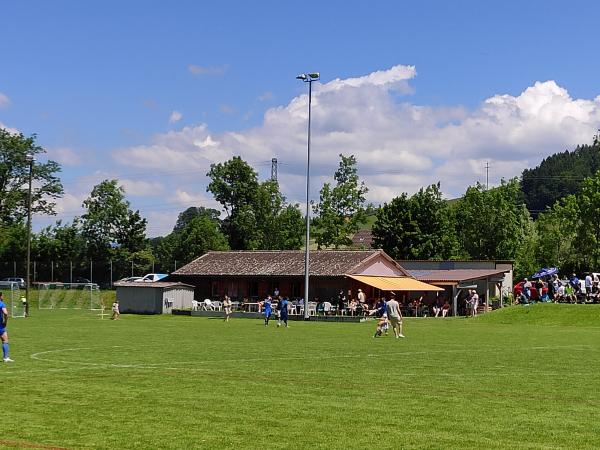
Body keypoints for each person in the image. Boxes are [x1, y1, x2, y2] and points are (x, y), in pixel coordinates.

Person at [0, 292, 13, 362]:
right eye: (2, 295)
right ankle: (6, 358)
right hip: (0, 326)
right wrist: (5, 321)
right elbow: (5, 313)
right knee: (5, 340)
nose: (3, 297)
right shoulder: (1, 303)